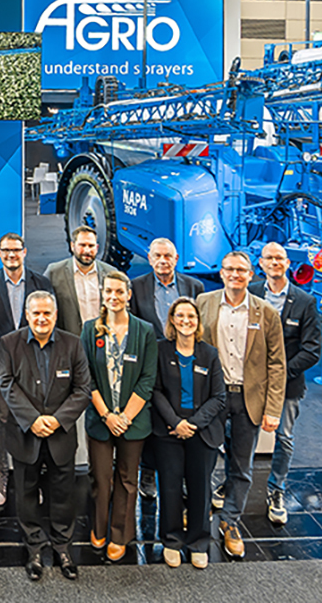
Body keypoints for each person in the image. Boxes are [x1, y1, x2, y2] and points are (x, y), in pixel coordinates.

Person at [0, 291, 92, 581]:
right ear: (27, 315)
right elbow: (6, 384)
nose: (41, 318)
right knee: (25, 495)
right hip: (25, 435)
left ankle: (62, 547)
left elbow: (83, 389)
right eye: (36, 313)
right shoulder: (9, 344)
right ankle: (34, 548)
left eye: (47, 313)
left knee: (63, 495)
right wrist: (33, 419)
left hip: (60, 435)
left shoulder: (73, 344)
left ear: (55, 315)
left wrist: (57, 420)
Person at [197, 250, 286, 558]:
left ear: (251, 275)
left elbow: (277, 364)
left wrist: (273, 409)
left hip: (249, 399)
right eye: (230, 269)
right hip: (212, 397)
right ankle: (198, 516)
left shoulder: (266, 312)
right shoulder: (203, 303)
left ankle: (230, 521)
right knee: (203, 460)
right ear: (221, 273)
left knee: (241, 466)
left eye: (241, 270)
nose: (235, 274)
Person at [81, 271, 157, 562]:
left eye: (119, 292)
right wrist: (107, 416)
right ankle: (99, 528)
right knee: (100, 479)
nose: (113, 297)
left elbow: (148, 379)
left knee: (127, 479)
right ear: (103, 295)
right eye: (108, 292)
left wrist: (124, 417)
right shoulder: (90, 330)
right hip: (100, 420)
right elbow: (86, 377)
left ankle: (120, 534)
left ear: (128, 295)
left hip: (133, 421)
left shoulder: (144, 331)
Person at [0, 232, 53, 507]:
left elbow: (48, 323)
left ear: (24, 252)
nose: (11, 255)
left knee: (33, 417)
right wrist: (7, 357)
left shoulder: (41, 283)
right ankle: (0, 473)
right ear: (0, 253)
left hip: (36, 365)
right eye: (6, 250)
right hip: (2, 365)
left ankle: (33, 476)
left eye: (16, 250)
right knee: (0, 416)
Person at [151, 297, 226, 570]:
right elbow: (155, 390)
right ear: (172, 320)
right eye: (180, 316)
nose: (186, 321)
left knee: (200, 489)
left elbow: (219, 397)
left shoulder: (210, 354)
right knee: (169, 487)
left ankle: (198, 543)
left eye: (191, 316)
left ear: (198, 321)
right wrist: (175, 422)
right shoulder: (160, 350)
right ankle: (171, 540)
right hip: (168, 430)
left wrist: (192, 423)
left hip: (201, 431)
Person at [249, 242, 321, 525]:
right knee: (241, 434)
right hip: (251, 383)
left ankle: (276, 489)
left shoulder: (305, 301)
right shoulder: (251, 293)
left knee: (284, 438)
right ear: (261, 263)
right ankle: (233, 482)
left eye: (280, 258)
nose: (274, 262)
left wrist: (279, 374)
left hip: (288, 384)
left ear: (288, 263)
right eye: (269, 258)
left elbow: (311, 350)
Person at [129, 238, 204, 499]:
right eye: (157, 256)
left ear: (176, 258)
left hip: (184, 362)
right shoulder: (136, 287)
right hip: (150, 363)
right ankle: (148, 472)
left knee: (181, 415)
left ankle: (180, 475)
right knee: (152, 419)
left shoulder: (194, 286)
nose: (163, 260)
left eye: (168, 256)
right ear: (149, 258)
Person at [43, 225, 116, 336]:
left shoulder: (110, 273)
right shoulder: (54, 273)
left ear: (97, 247)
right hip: (68, 341)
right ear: (72, 246)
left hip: (103, 339)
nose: (87, 250)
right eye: (82, 245)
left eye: (91, 246)